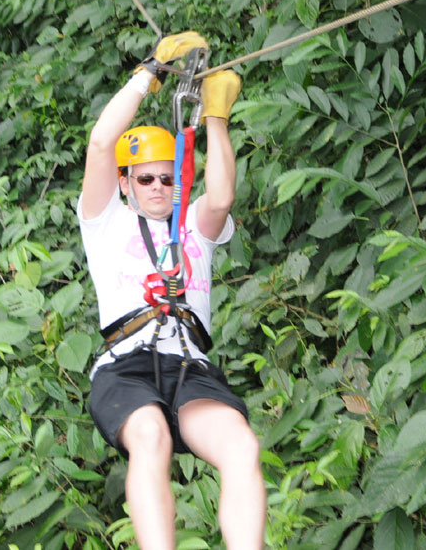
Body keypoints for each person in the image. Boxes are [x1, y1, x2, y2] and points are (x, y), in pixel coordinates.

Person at [76, 31, 266, 550]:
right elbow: (99, 144)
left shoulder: (193, 223)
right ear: (125, 183)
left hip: (186, 364)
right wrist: (150, 72)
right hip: (127, 363)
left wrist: (216, 118)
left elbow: (222, 195)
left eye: (167, 179)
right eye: (146, 180)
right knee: (150, 438)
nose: (159, 189)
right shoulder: (106, 222)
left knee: (241, 446)